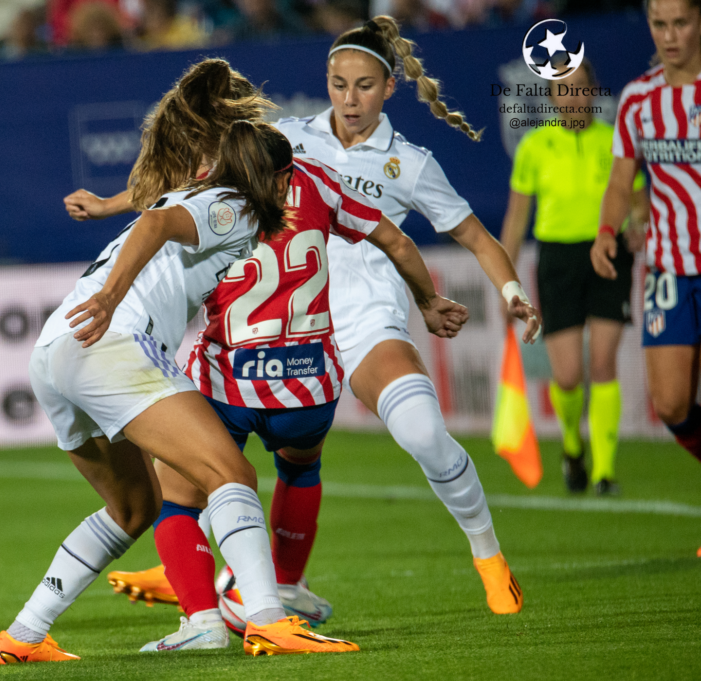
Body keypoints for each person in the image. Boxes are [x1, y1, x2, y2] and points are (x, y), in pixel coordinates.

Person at [95, 17, 540, 624]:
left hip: (366, 323)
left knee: (421, 436)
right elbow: (191, 181)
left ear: (388, 88)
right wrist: (113, 203)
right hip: (288, 325)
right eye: (337, 83)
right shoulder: (284, 137)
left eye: (362, 86)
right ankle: (240, 580)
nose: (348, 99)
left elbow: (477, 238)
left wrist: (511, 289)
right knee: (255, 460)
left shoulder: (409, 164)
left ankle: (488, 556)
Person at [0, 110, 364, 665]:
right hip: (110, 339)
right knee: (230, 473)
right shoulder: (235, 207)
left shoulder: (203, 193)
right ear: (275, 178)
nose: (292, 185)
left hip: (55, 351)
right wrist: (115, 298)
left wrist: (111, 206)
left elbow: (159, 207)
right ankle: (268, 620)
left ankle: (22, 636)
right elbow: (156, 224)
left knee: (136, 507)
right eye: (287, 175)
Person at [501, 64, 648, 496]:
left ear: (594, 92)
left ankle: (604, 472)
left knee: (603, 362)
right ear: (550, 97)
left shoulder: (614, 143)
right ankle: (571, 445)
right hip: (558, 260)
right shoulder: (535, 145)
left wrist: (638, 223)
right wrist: (505, 281)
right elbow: (515, 220)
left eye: (581, 89)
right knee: (567, 376)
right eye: (563, 91)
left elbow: (640, 204)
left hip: (609, 253)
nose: (573, 98)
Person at [591, 0, 701, 470]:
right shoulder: (638, 99)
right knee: (672, 405)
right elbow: (621, 180)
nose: (670, 35)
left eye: (681, 23)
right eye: (660, 24)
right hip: (669, 268)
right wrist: (606, 231)